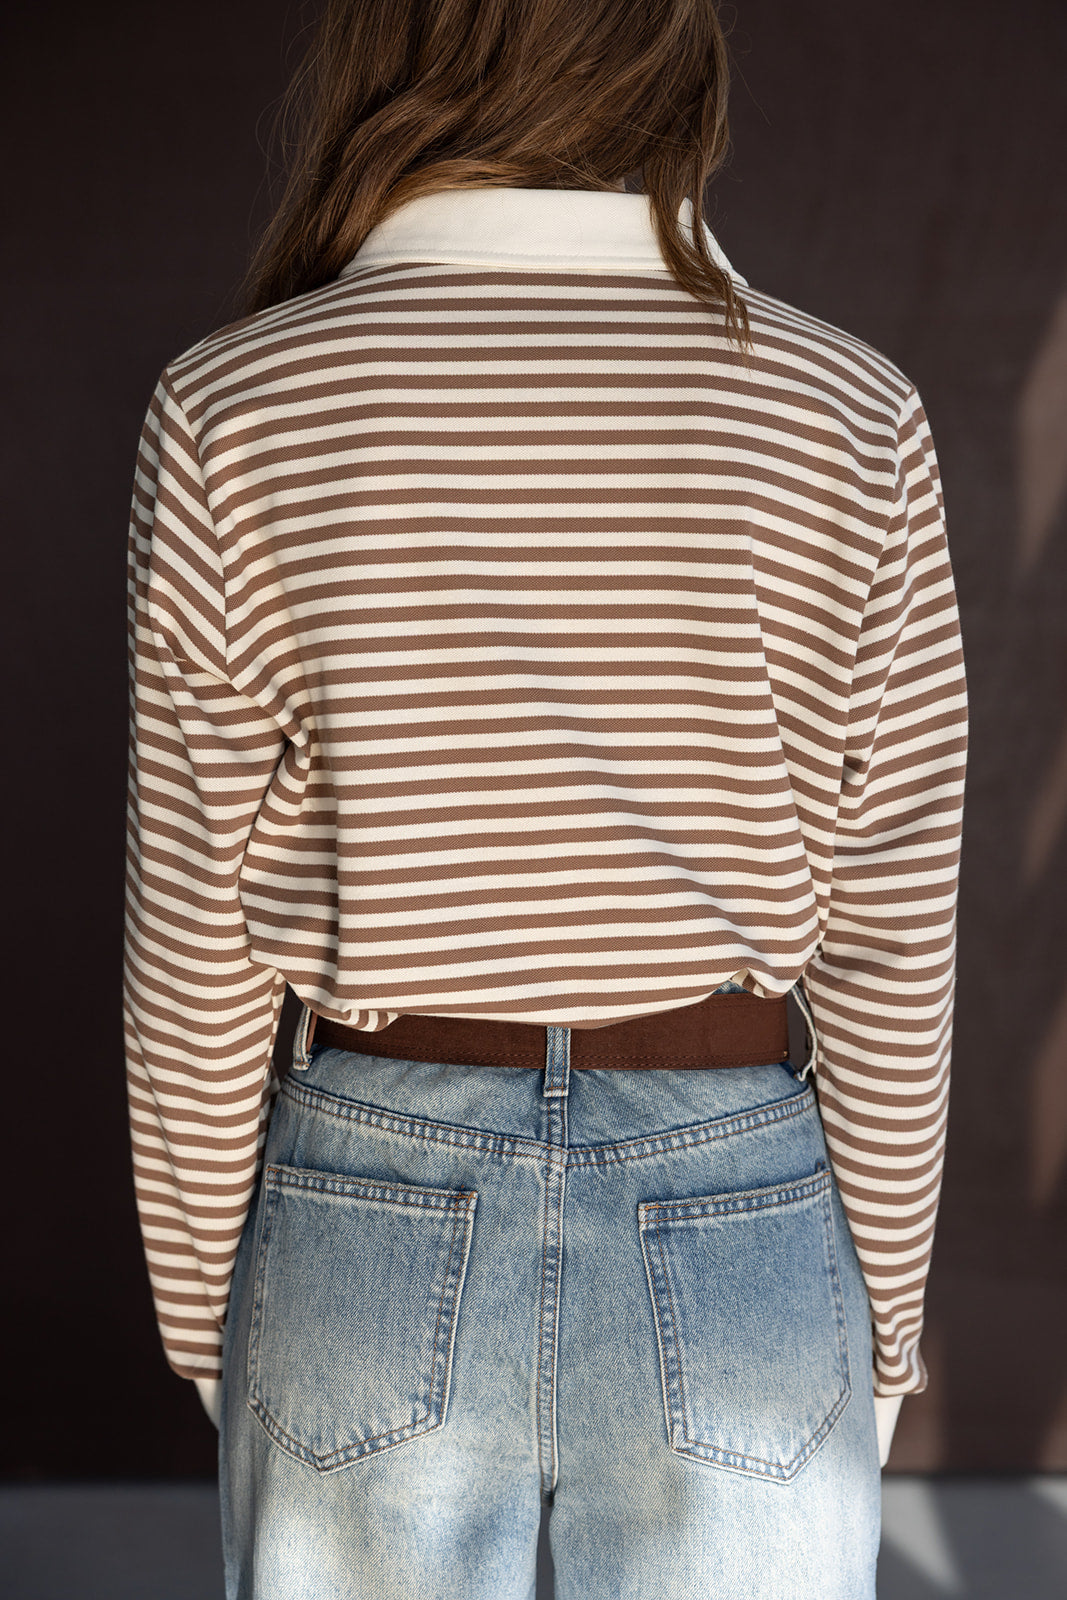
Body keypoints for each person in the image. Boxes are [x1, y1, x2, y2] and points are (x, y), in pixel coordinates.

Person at [122, 2, 967, 1596]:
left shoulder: (235, 407)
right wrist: (883, 1329)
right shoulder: (849, 412)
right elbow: (889, 933)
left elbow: (194, 938)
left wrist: (210, 1324)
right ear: (671, 63)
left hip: (366, 1195)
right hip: (738, 1196)